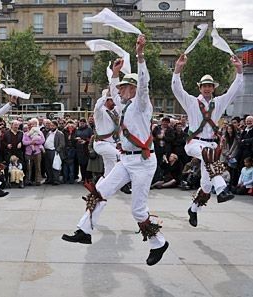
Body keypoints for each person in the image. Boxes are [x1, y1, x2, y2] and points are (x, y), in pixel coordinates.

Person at [62, 35, 169, 266]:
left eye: (122, 88)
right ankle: (84, 230)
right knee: (100, 190)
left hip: (142, 162)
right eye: (118, 89)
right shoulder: (125, 105)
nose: (118, 92)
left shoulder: (142, 104)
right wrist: (114, 74)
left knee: (138, 211)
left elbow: (144, 83)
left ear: (133, 89)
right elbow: (113, 90)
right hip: (126, 160)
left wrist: (140, 55)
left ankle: (159, 242)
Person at [171, 53, 243, 227]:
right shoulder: (191, 102)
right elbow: (176, 89)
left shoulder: (219, 102)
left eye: (210, 86)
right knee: (208, 154)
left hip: (211, 144)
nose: (207, 88)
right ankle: (222, 190)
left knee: (205, 186)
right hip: (194, 143)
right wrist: (178, 69)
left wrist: (239, 70)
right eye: (204, 86)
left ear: (213, 88)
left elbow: (235, 90)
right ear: (200, 88)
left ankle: (194, 209)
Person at [22, 118, 45, 186]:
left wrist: (35, 143)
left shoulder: (39, 132)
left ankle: (38, 180)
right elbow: (24, 142)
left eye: (31, 124)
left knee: (38, 167)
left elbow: (42, 140)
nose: (30, 126)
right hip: (28, 153)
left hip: (37, 152)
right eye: (29, 125)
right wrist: (30, 142)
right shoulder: (26, 134)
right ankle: (28, 180)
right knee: (29, 167)